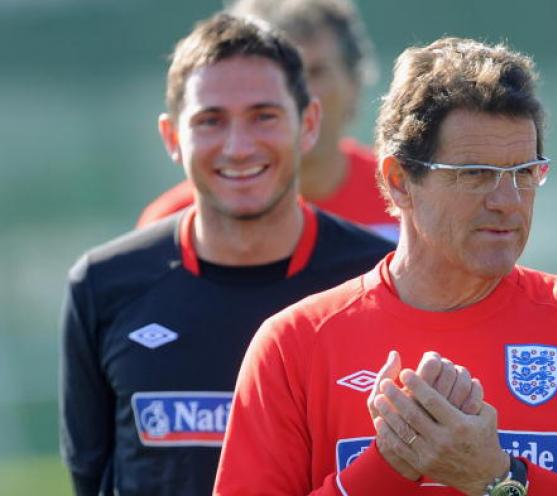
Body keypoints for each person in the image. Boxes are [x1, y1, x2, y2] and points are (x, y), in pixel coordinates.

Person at [214, 37, 557, 495]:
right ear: (399, 181)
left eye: (524, 172)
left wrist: (501, 479)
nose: (508, 201)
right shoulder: (295, 344)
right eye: (475, 175)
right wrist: (386, 469)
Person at [58, 14, 396, 496]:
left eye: (264, 115)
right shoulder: (102, 286)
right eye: (210, 120)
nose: (238, 147)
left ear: (309, 124)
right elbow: (90, 477)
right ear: (172, 137)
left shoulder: (380, 280)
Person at [137, 0, 399, 241]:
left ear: (355, 81)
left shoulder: (405, 194)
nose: (301, 93)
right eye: (276, 76)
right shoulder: (172, 221)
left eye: (316, 72)